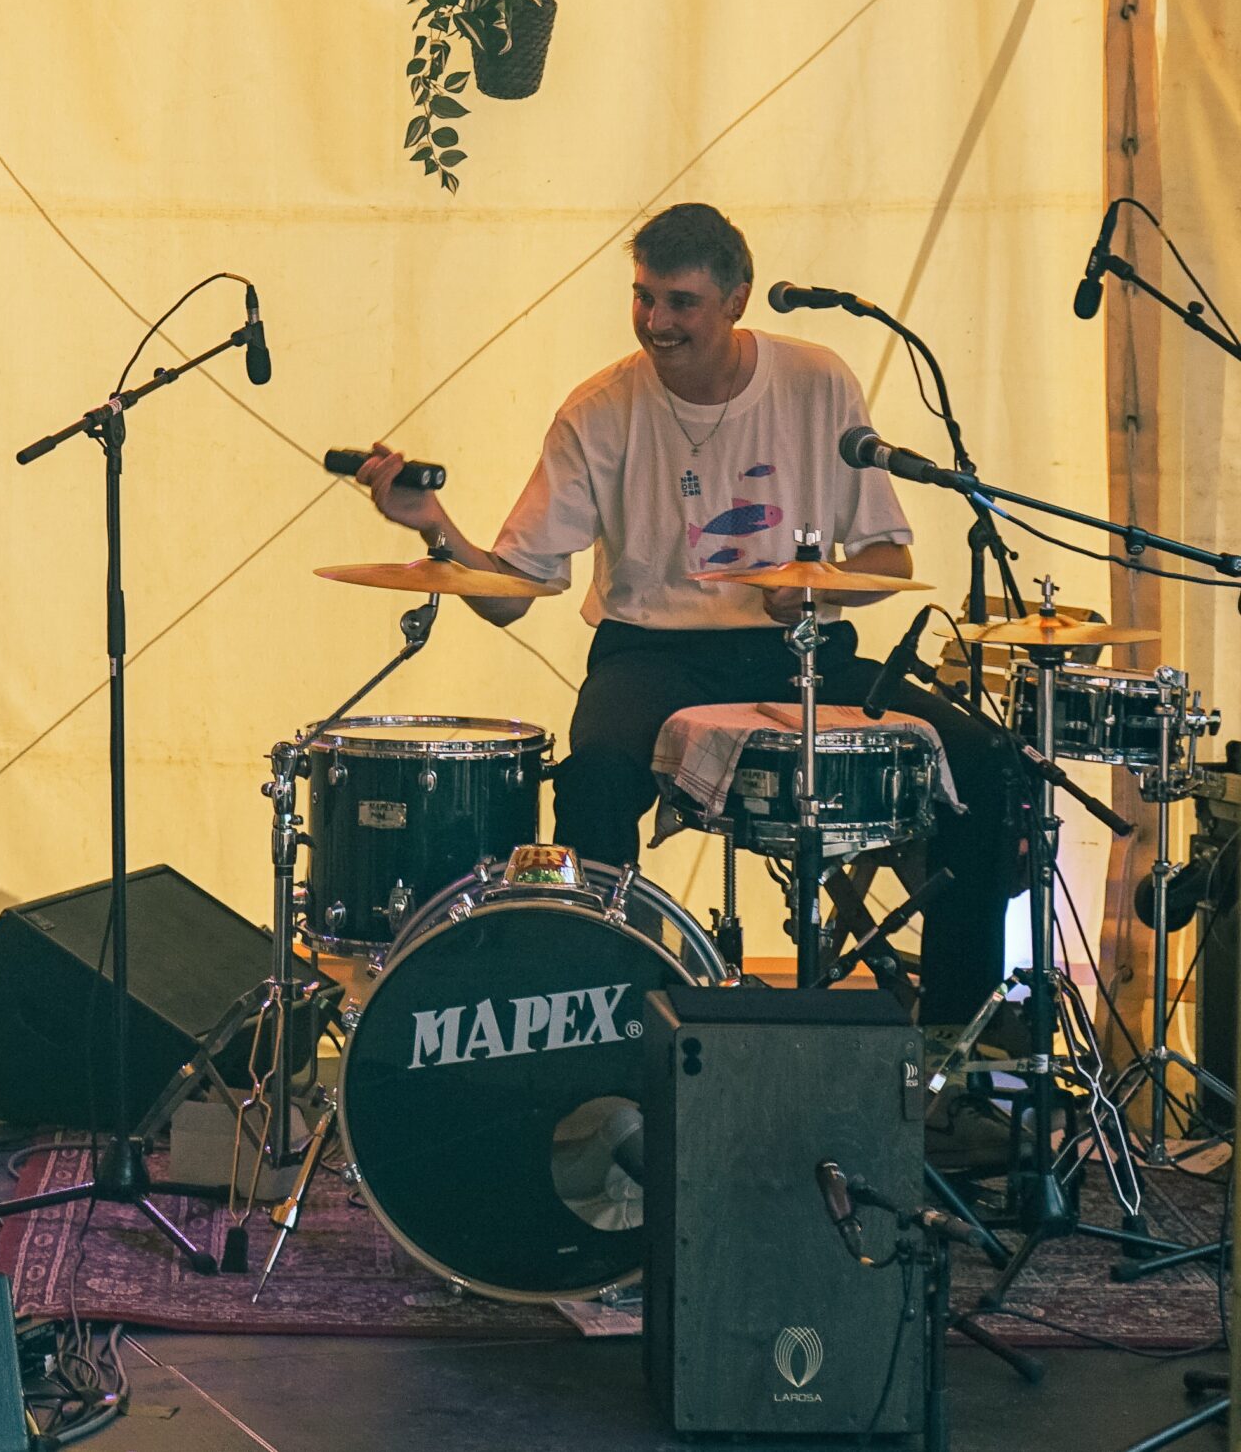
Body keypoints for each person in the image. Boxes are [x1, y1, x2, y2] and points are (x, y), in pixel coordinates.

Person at [359, 202, 1022, 1025]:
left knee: (988, 764)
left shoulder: (818, 382)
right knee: (595, 775)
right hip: (650, 655)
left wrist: (822, 588)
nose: (655, 322)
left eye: (680, 302)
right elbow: (509, 597)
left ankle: (959, 1036)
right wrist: (435, 529)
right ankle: (610, 1018)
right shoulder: (599, 409)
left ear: (737, 299)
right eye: (643, 297)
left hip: (801, 648)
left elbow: (890, 559)